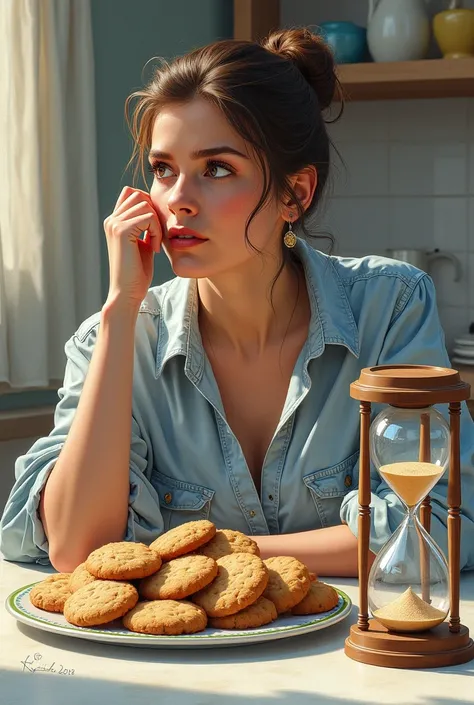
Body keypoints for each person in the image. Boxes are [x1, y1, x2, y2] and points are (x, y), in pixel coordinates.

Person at [1, 28, 474, 576]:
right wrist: (119, 312)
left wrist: (208, 556)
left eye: (216, 169)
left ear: (295, 194)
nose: (177, 199)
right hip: (172, 662)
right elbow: (77, 550)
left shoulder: (390, 307)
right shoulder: (112, 339)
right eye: (163, 170)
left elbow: (438, 525)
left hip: (350, 655)